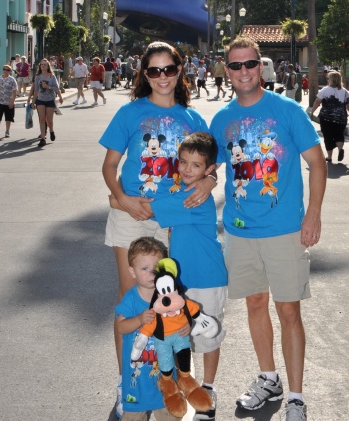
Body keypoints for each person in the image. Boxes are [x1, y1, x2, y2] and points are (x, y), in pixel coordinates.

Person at [210, 37, 326, 421]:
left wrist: (313, 215)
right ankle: (268, 378)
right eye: (236, 65)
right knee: (255, 304)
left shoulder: (288, 111)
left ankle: (295, 396)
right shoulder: (221, 119)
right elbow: (211, 172)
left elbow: (318, 163)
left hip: (284, 230)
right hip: (241, 232)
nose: (243, 71)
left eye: (250, 64)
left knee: (289, 310)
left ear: (262, 67)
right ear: (226, 71)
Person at [99, 41, 217, 419]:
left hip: (172, 219)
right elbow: (109, 166)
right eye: (154, 70)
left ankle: (172, 378)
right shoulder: (129, 113)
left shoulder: (193, 119)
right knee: (131, 298)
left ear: (179, 71)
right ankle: (128, 383)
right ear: (144, 74)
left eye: (169, 69)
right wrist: (121, 198)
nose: (162, 77)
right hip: (130, 214)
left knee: (169, 300)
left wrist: (209, 181)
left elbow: (211, 163)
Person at [111, 132, 227, 421]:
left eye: (197, 165)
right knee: (179, 335)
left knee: (208, 336)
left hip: (206, 278)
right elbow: (156, 203)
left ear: (209, 169)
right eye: (184, 162)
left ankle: (208, 390)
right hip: (182, 282)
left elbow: (148, 210)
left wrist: (117, 201)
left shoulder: (194, 197)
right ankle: (180, 388)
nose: (187, 169)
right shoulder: (182, 192)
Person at [115, 237, 179, 421]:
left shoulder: (169, 297)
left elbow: (180, 320)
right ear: (132, 272)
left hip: (165, 379)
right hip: (137, 382)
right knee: (134, 417)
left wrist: (184, 329)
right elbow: (121, 327)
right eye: (144, 269)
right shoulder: (131, 299)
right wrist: (139, 319)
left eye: (156, 268)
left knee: (171, 416)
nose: (152, 274)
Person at [310, 70, 349, 163]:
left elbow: (317, 101)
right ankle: (340, 149)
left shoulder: (325, 90)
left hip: (326, 118)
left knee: (328, 136)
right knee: (339, 134)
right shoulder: (345, 92)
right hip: (341, 118)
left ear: (331, 80)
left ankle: (329, 157)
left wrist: (312, 112)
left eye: (328, 78)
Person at [29, 59, 63, 147]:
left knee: (49, 120)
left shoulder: (52, 76)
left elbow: (56, 88)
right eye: (42, 64)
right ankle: (43, 138)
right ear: (40, 66)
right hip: (40, 100)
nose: (43, 66)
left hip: (50, 100)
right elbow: (36, 90)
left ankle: (51, 131)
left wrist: (49, 87)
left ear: (48, 66)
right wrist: (33, 101)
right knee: (42, 119)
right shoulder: (38, 77)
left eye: (45, 64)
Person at [0, 64, 18, 139]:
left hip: (8, 101)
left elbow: (15, 91)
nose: (5, 71)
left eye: (7, 70)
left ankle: (7, 131)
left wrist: (12, 101)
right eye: (4, 69)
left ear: (10, 71)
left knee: (8, 117)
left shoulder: (12, 80)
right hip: (0, 101)